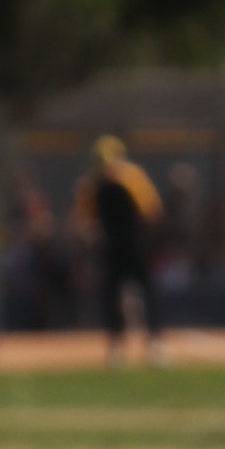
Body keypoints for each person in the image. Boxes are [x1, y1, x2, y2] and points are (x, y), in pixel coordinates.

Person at [78, 135, 163, 359]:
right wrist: (92, 238)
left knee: (147, 292)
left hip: (135, 245)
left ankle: (154, 342)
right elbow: (85, 218)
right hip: (111, 247)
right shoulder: (92, 185)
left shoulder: (132, 179)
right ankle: (116, 344)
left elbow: (151, 211)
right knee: (111, 296)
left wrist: (147, 240)